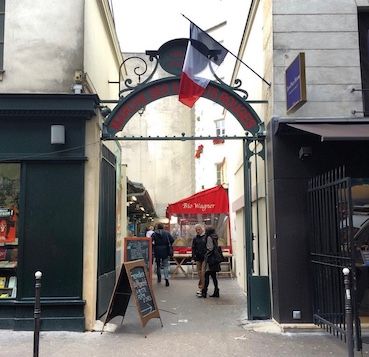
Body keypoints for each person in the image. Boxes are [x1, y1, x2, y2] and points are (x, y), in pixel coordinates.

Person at [200, 226, 221, 298]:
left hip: (210, 260)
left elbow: (210, 248)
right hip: (215, 259)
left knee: (206, 275)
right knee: (214, 276)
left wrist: (206, 255)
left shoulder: (209, 237)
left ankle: (204, 292)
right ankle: (216, 291)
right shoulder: (215, 237)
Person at [191, 224, 207, 297]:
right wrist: (193, 258)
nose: (197, 231)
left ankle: (202, 288)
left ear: (202, 229)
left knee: (203, 273)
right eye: (196, 230)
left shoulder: (205, 237)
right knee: (199, 273)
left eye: (199, 229)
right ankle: (202, 287)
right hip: (198, 257)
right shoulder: (195, 238)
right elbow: (193, 248)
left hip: (204, 258)